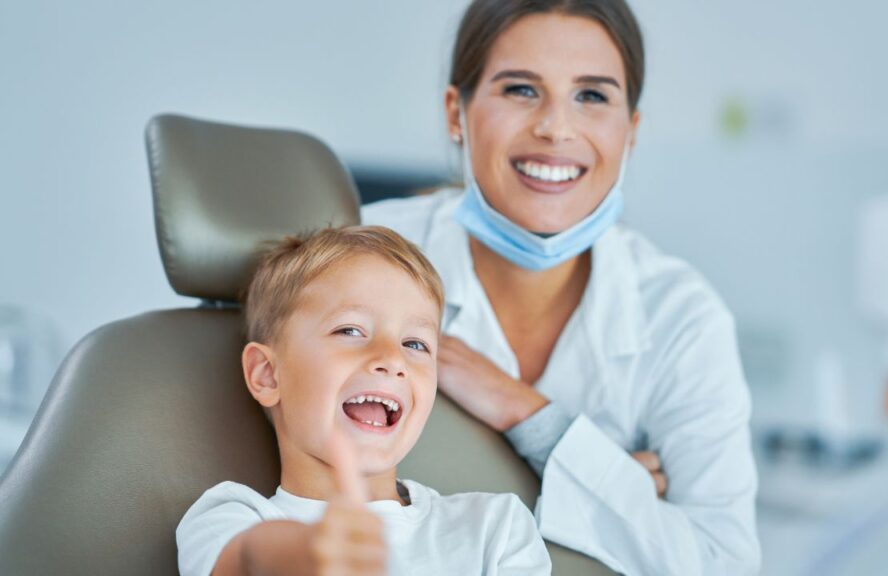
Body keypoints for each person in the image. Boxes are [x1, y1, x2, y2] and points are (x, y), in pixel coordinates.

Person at [361, 1, 760, 574]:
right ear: (456, 111)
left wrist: (533, 419)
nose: (555, 127)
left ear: (632, 131)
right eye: (521, 89)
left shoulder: (680, 316)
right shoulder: (359, 258)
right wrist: (608, 483)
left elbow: (724, 562)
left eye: (592, 96)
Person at [176, 226, 551, 576]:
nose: (392, 359)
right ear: (268, 374)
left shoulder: (494, 527)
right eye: (350, 330)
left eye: (415, 344)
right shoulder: (233, 518)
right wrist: (305, 552)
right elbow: (244, 558)